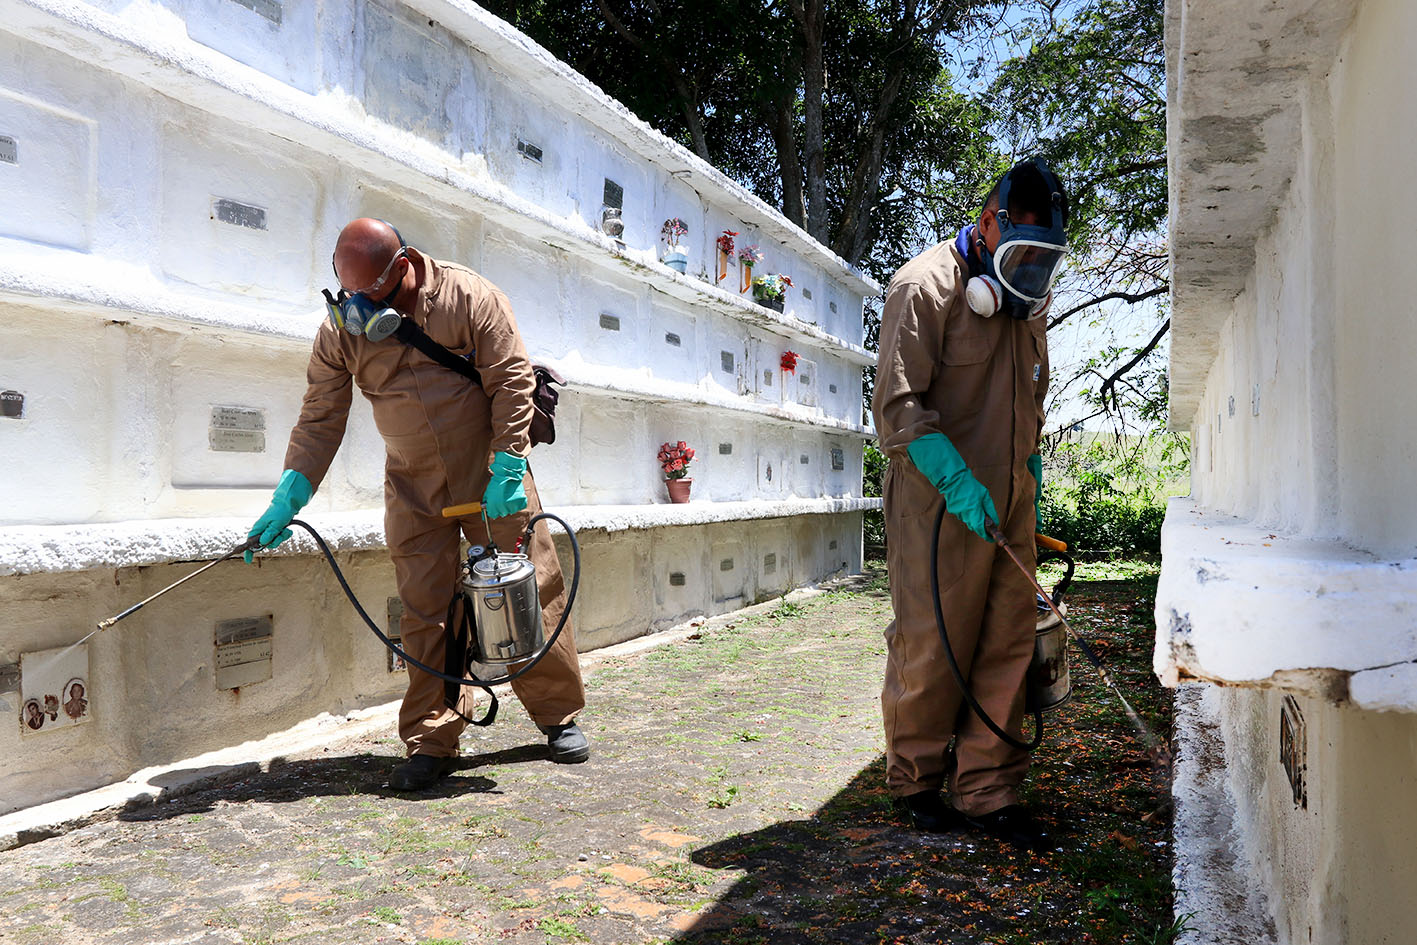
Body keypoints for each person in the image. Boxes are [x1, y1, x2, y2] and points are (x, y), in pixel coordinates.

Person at [247, 218, 588, 791]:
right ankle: (431, 737)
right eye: (346, 291)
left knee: (532, 589)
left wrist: (508, 465)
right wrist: (292, 491)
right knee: (424, 608)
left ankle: (557, 717)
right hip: (412, 484)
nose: (356, 305)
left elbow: (511, 381)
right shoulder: (342, 329)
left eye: (369, 293)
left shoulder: (469, 297)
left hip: (490, 473)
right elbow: (320, 413)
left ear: (401, 268)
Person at [870, 158, 1069, 848]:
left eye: (1044, 261)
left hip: (1008, 498)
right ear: (988, 225)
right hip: (936, 498)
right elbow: (897, 408)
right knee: (935, 637)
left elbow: (1033, 406)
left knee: (1008, 640)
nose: (1033, 274)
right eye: (1024, 255)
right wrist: (955, 481)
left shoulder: (1028, 308)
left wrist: (1030, 485)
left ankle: (987, 788)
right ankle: (917, 777)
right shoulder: (923, 286)